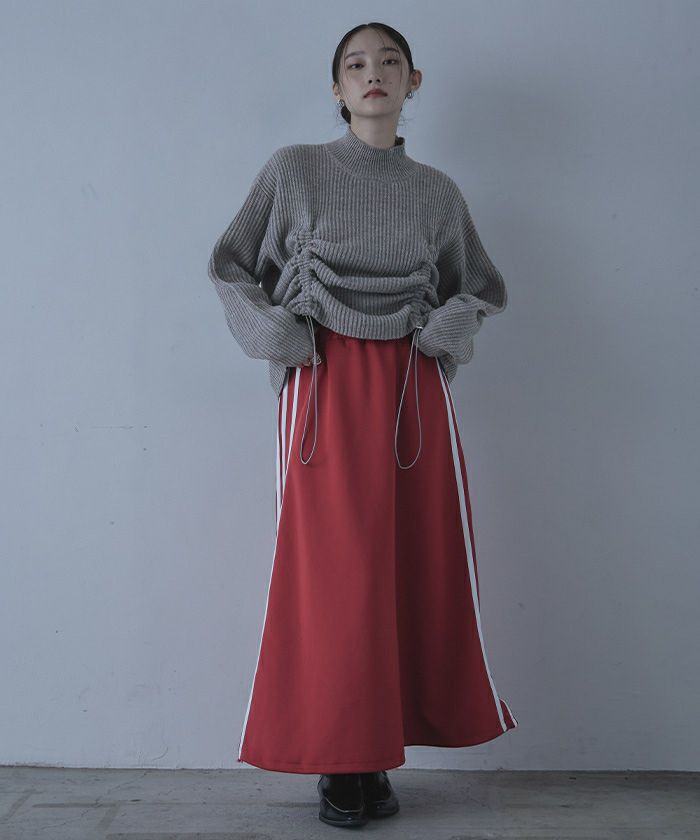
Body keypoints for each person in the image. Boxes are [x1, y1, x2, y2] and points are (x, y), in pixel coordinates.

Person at [207, 20, 518, 829]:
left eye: (389, 61)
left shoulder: (436, 191)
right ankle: (341, 756)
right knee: (334, 570)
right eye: (355, 64)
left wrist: (449, 326)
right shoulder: (295, 170)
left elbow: (481, 284)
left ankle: (377, 750)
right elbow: (230, 263)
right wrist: (275, 334)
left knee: (413, 559)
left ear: (414, 81)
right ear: (337, 88)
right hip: (324, 380)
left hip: (413, 388)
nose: (372, 72)